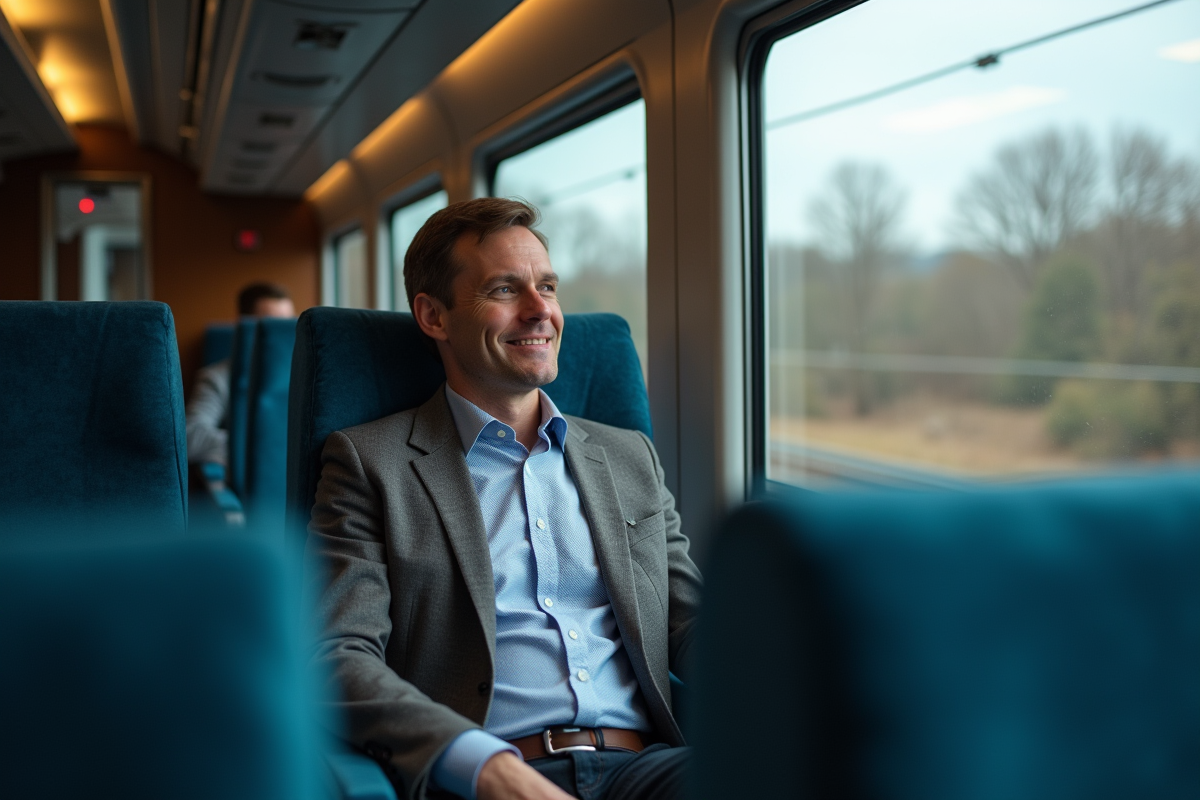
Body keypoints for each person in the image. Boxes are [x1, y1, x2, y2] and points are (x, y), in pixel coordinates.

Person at [307, 198, 702, 800]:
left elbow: (695, 625)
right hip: (490, 777)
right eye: (503, 290)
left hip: (650, 771)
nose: (541, 310)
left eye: (547, 286)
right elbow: (339, 656)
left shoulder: (629, 459)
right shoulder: (370, 464)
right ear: (434, 316)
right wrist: (484, 768)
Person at [184, 282, 295, 467]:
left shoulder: (309, 377)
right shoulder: (218, 378)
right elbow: (191, 435)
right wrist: (259, 446)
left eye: (288, 324)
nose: (281, 335)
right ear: (246, 328)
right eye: (272, 325)